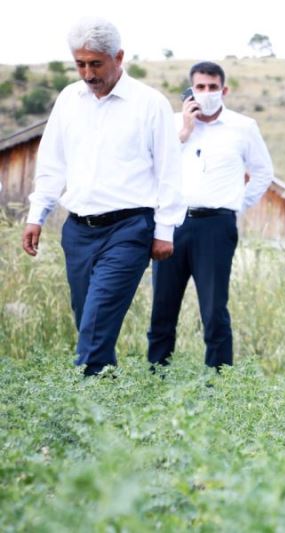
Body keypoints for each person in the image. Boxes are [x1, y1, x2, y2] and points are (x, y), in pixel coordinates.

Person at [21, 17, 184, 376]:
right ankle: (106, 402)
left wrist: (165, 230)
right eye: (80, 64)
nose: (88, 73)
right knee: (89, 321)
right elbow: (52, 161)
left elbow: (170, 172)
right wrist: (37, 215)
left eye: (96, 63)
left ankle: (83, 406)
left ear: (119, 57)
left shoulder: (149, 104)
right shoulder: (68, 99)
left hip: (128, 230)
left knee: (95, 323)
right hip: (78, 230)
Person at [146, 61, 274, 370]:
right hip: (172, 223)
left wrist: (236, 207)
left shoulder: (243, 127)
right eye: (200, 87)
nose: (206, 93)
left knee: (214, 310)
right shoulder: (172, 124)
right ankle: (154, 377)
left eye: (212, 87)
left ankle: (219, 386)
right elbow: (152, 168)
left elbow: (263, 172)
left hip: (216, 225)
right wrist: (185, 133)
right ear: (190, 89)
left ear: (224, 90)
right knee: (162, 309)